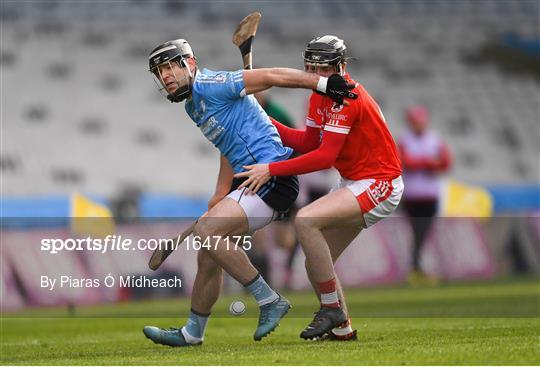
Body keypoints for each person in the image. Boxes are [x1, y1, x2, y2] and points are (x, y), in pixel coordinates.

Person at [142, 38, 357, 347]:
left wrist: (323, 83)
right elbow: (227, 146)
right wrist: (220, 191)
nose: (165, 77)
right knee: (208, 253)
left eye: (168, 68)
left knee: (207, 231)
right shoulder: (193, 104)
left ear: (189, 64)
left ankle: (268, 299)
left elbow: (272, 76)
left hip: (272, 178)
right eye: (159, 72)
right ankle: (193, 332)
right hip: (250, 181)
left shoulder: (214, 83)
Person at [235, 35, 403, 340]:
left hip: (381, 182)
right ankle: (342, 329)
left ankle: (330, 309)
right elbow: (308, 142)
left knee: (306, 220)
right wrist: (264, 121)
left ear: (340, 67)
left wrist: (270, 168)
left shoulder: (346, 97)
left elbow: (324, 157)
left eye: (322, 69)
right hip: (354, 180)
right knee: (317, 264)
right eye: (310, 68)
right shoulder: (317, 94)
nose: (315, 75)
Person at [398, 106, 452, 286]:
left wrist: (422, 162)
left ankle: (416, 268)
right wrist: (430, 162)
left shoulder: (435, 139)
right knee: (418, 233)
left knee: (422, 233)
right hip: (412, 196)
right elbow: (406, 163)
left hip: (430, 195)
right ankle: (416, 268)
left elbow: (445, 163)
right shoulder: (404, 140)